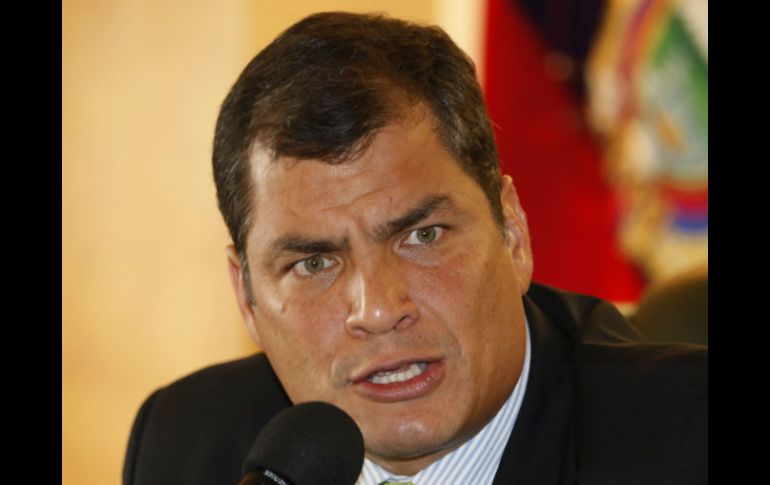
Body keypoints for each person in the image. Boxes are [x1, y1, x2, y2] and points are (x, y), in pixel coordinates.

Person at [122, 12, 707, 485]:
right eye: (313, 263)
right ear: (246, 296)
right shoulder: (186, 443)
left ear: (512, 232)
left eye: (422, 236)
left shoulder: (689, 442)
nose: (378, 309)